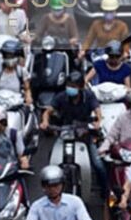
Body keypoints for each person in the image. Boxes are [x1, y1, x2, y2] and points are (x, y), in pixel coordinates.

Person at [39, 71, 109, 201]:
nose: (70, 88)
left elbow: (97, 110)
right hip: (65, 132)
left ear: (81, 87)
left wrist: (98, 122)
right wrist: (45, 122)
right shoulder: (61, 97)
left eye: (74, 86)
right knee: (52, 160)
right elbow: (48, 111)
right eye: (69, 85)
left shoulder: (88, 96)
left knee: (98, 164)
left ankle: (105, 194)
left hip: (84, 133)